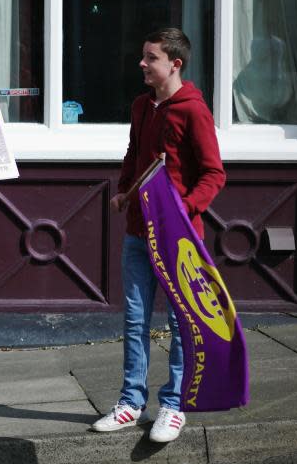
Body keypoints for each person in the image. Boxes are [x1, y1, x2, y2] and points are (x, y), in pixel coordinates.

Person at [91, 28, 225, 443]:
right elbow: (135, 152)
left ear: (174, 64)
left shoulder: (193, 111)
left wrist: (182, 210)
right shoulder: (141, 106)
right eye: (143, 56)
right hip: (137, 233)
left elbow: (213, 174)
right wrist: (123, 189)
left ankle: (173, 405)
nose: (142, 64)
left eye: (151, 58)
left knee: (183, 322)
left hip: (180, 240)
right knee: (135, 321)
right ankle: (131, 402)